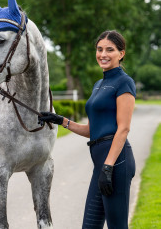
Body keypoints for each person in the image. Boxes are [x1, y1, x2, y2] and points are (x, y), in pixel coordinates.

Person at [38, 30, 136, 229]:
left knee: (117, 226)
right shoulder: (98, 84)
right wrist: (61, 120)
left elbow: (123, 129)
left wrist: (108, 166)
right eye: (99, 49)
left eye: (110, 50)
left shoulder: (124, 82)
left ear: (121, 53)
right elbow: (93, 129)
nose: (103, 54)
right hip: (101, 165)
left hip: (116, 164)